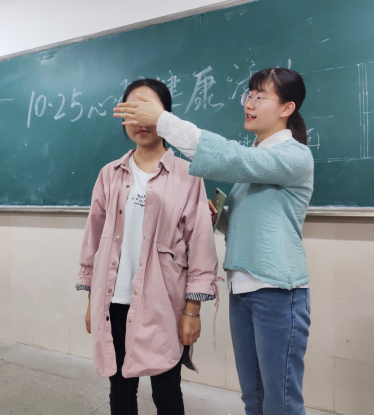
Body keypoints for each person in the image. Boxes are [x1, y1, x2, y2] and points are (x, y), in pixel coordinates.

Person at [114, 68, 314, 416]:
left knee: (280, 402)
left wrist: (163, 121)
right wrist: (218, 216)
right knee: (253, 397)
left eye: (261, 96)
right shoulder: (258, 157)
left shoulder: (293, 156)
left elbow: (234, 159)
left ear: (287, 108)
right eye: (249, 95)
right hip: (243, 288)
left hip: (278, 290)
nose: (249, 103)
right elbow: (257, 221)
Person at [77, 79, 221, 416]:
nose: (140, 120)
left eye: (148, 110)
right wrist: (91, 301)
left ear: (165, 115)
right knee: (120, 390)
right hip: (114, 300)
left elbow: (200, 245)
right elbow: (93, 239)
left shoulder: (188, 174)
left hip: (163, 302)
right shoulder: (109, 174)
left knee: (167, 391)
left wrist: (192, 310)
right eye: (131, 111)